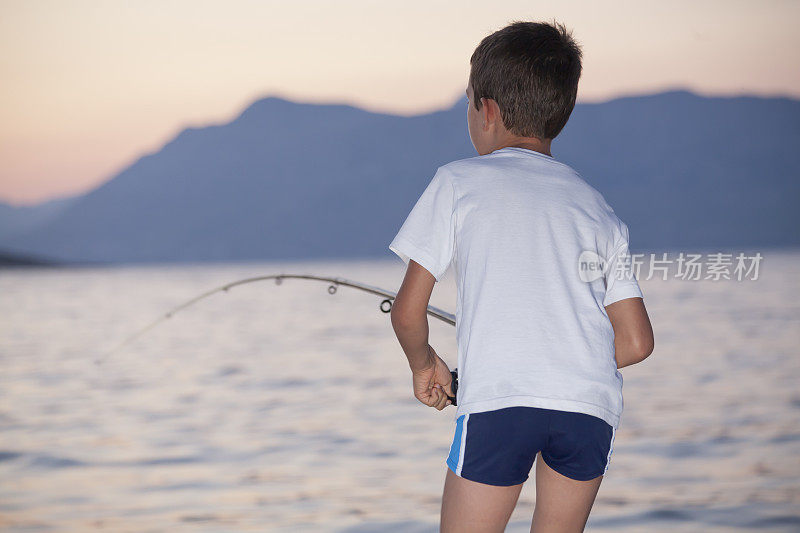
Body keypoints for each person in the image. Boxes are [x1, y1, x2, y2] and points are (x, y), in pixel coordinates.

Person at [388, 20, 655, 533]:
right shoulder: (598, 210)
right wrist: (558, 363)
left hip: (500, 407)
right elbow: (637, 341)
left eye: (468, 102)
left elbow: (407, 313)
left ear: (486, 110)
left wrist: (425, 365)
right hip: (588, 409)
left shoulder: (458, 182)